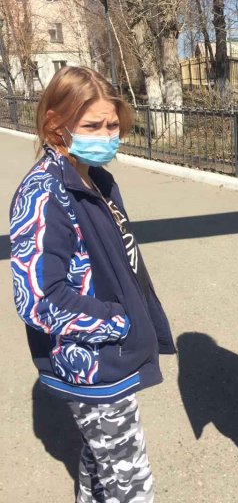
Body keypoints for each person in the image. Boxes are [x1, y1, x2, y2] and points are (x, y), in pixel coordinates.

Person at [10, 66, 176, 502]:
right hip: (92, 365)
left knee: (101, 465)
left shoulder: (95, 177)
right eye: (91, 126)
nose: (106, 136)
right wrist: (117, 323)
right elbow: (38, 298)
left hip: (109, 356)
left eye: (112, 125)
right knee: (131, 483)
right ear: (55, 124)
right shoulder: (43, 194)